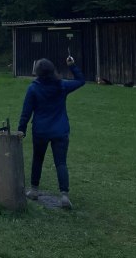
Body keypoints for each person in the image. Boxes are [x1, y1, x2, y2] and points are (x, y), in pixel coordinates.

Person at [17, 56, 85, 209]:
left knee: (38, 159)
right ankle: (64, 196)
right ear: (53, 70)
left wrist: (21, 130)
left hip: (40, 131)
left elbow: (26, 113)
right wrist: (72, 65)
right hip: (60, 130)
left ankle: (34, 190)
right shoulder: (62, 86)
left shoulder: (33, 88)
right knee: (61, 163)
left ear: (37, 72)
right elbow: (81, 81)